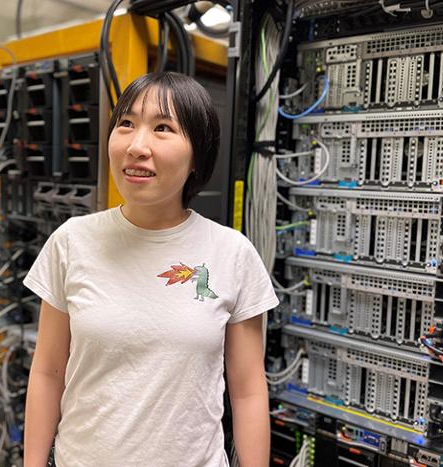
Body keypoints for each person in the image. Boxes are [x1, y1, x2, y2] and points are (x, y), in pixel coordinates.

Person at [22, 71, 279, 467]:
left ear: (198, 156)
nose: (137, 146)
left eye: (163, 128)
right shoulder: (72, 241)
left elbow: (247, 391)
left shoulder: (232, 253)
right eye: (126, 123)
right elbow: (47, 372)